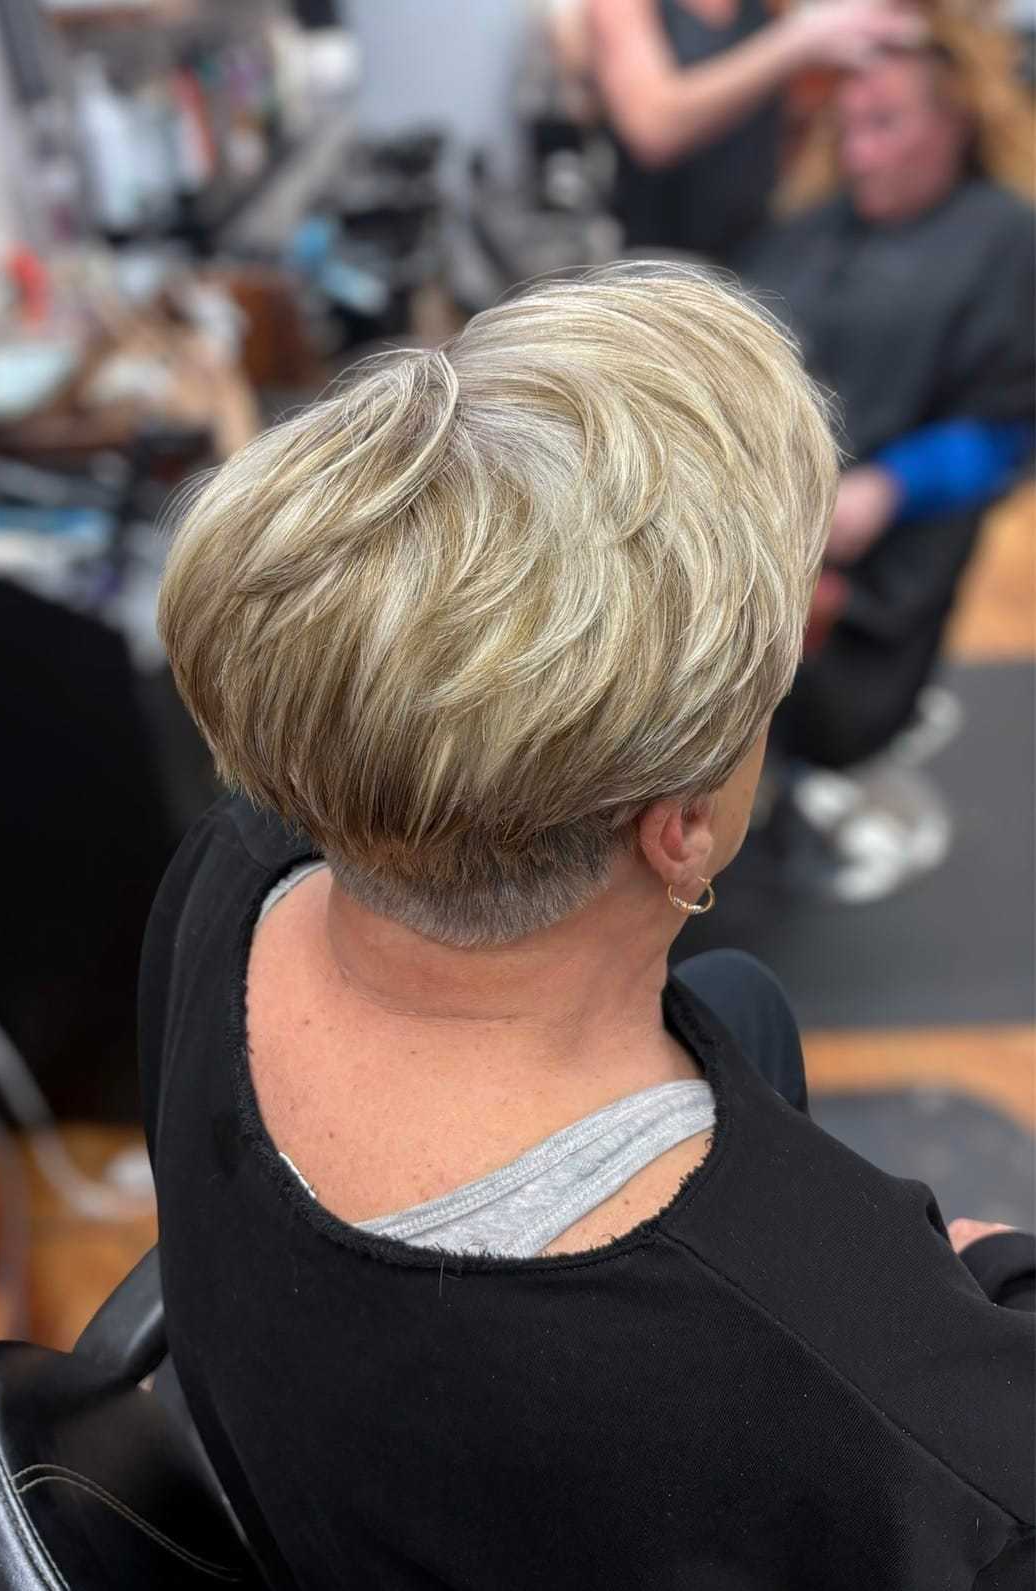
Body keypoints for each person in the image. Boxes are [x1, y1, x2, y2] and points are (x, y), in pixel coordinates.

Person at [143, 268, 1033, 1590]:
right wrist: (984, 1282)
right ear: (676, 827)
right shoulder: (855, 1384)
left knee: (738, 999)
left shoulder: (230, 869)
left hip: (340, 1467)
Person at [735, 29, 1034, 783]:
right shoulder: (818, 225)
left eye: (887, 126)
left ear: (955, 119)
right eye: (851, 127)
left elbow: (1012, 426)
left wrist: (890, 485)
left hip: (878, 574)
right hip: (765, 525)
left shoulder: (1005, 240)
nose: (860, 154)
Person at [584, 0, 921, 258]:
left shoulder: (770, 7)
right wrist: (796, 42)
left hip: (760, 248)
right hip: (656, 257)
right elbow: (653, 128)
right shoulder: (625, 6)